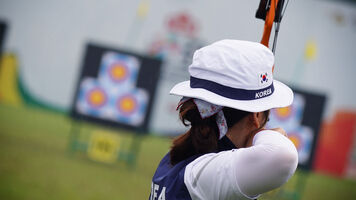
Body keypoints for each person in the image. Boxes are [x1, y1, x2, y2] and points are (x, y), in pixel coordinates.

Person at [149, 40, 298, 200]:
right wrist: (271, 134)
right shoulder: (203, 175)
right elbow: (284, 157)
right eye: (266, 118)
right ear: (256, 116)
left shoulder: (179, 157)